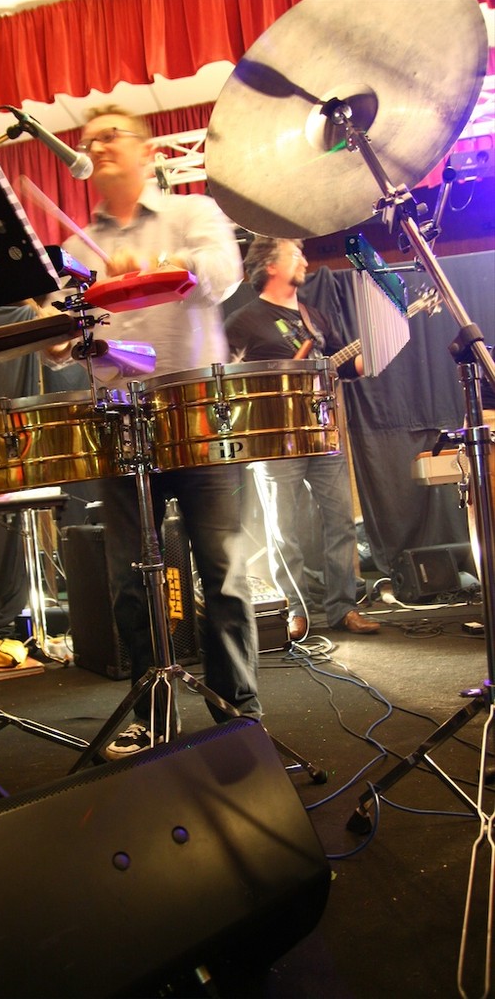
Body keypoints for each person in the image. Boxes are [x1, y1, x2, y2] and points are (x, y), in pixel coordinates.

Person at [48, 105, 261, 757]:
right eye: (89, 141)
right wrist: (60, 323)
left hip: (198, 416)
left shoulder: (192, 213)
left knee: (222, 574)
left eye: (111, 135)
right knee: (131, 579)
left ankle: (238, 714)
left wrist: (150, 267)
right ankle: (150, 710)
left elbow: (221, 276)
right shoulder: (79, 244)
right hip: (120, 423)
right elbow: (65, 338)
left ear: (148, 153)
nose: (96, 146)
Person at [225, 236, 380, 640]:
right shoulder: (243, 321)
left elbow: (347, 368)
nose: (305, 261)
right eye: (295, 255)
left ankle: (344, 608)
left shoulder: (314, 316)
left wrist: (384, 343)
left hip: (321, 432)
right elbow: (227, 383)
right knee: (283, 530)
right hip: (276, 440)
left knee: (341, 522)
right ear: (271, 266)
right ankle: (295, 611)